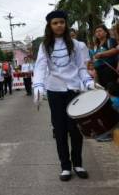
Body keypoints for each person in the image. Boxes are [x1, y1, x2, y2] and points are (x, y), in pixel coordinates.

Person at [33, 10, 94, 181]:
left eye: (61, 22)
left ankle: (78, 164)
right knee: (60, 131)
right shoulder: (45, 46)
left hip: (74, 91)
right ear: (50, 26)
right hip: (55, 91)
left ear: (66, 24)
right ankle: (65, 167)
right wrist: (38, 85)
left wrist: (88, 82)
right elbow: (40, 67)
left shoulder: (78, 45)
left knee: (75, 130)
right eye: (55, 23)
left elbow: (82, 68)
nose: (59, 25)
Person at [90, 25, 118, 89]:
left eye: (100, 31)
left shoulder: (110, 41)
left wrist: (101, 54)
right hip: (99, 72)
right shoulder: (95, 46)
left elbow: (115, 50)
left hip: (109, 70)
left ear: (106, 32)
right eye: (96, 32)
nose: (98, 33)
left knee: (111, 89)